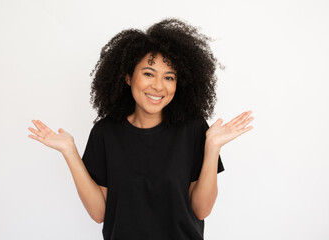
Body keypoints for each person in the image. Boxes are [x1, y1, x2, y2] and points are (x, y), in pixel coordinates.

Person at [28, 18, 254, 240]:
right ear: (128, 77)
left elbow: (201, 210)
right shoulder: (106, 132)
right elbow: (99, 214)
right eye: (148, 73)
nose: (158, 86)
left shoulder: (193, 129)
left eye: (169, 77)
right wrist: (69, 151)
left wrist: (212, 147)